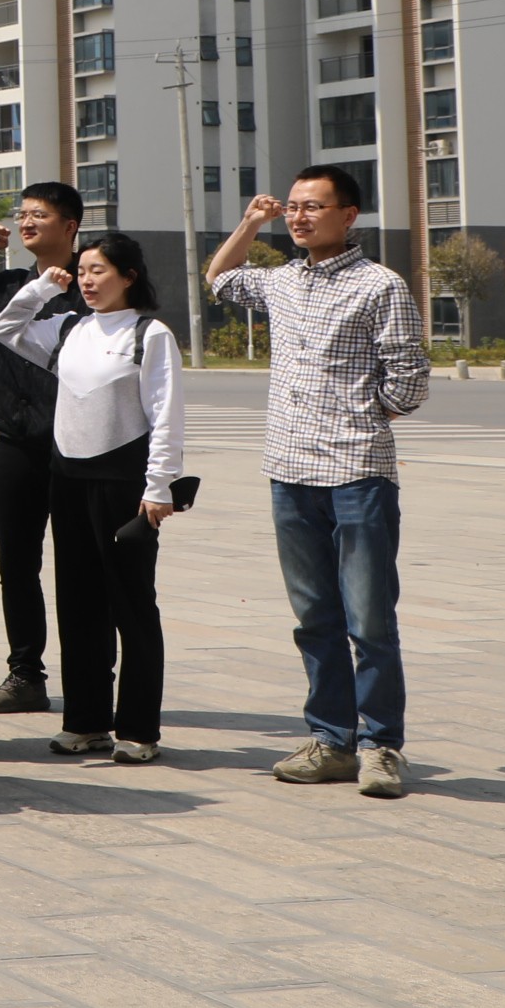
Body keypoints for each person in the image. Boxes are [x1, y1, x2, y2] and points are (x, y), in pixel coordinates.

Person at [207, 169, 427, 797]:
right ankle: (332, 740)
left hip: (357, 472)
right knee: (314, 617)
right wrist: (251, 223)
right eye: (294, 208)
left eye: (314, 207)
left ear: (349, 215)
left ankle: (381, 746)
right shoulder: (281, 281)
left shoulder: (379, 285)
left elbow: (409, 381)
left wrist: (357, 414)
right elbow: (219, 278)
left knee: (370, 619)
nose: (300, 218)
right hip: (289, 470)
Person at [0, 230, 183, 762]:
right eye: (82, 272)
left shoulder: (150, 333)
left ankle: (139, 730)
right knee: (77, 604)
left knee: (131, 605)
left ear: (129, 276)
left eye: (99, 271)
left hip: (125, 484)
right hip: (68, 480)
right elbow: (5, 328)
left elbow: (166, 414)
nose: (87, 281)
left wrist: (160, 485)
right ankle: (86, 721)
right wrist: (38, 290)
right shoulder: (70, 327)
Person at [0, 182, 85, 716]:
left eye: (39, 215)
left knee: (79, 565)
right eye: (22, 214)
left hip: (81, 448)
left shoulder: (92, 284)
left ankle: (89, 677)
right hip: (18, 444)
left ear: (69, 226)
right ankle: (26, 673)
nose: (26, 223)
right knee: (18, 562)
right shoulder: (4, 286)